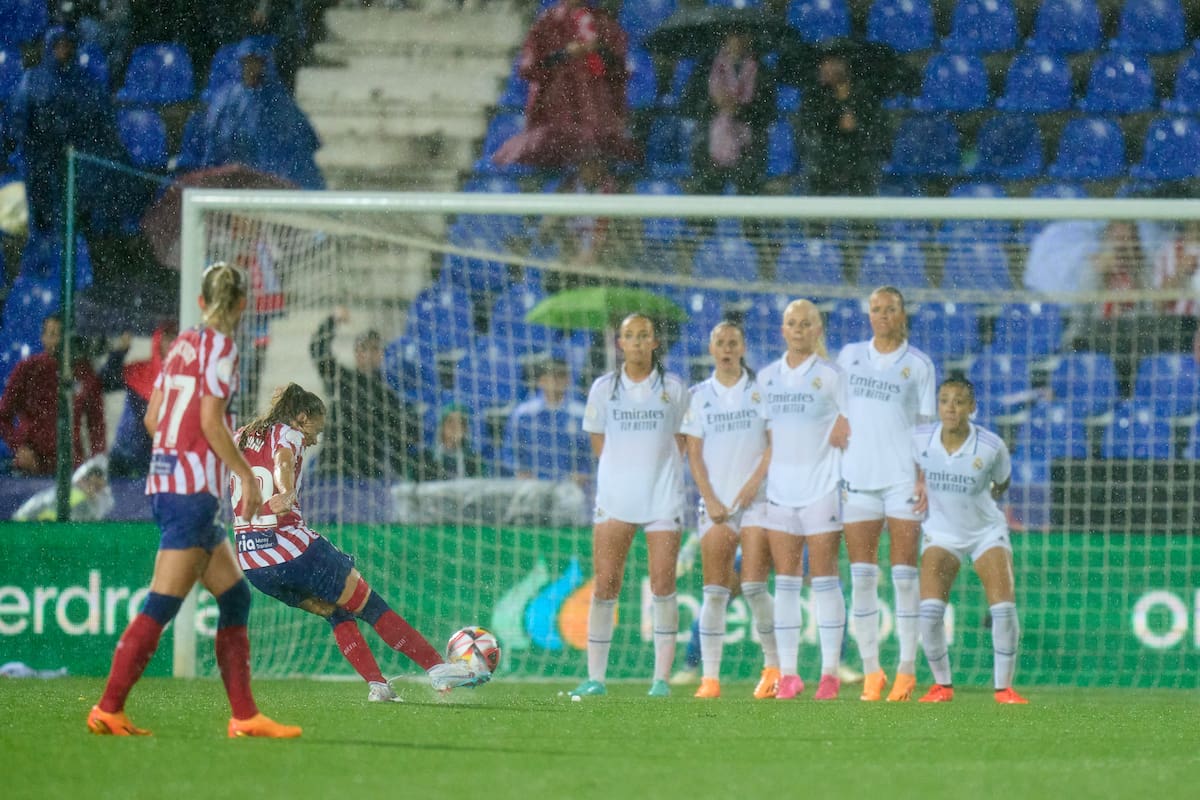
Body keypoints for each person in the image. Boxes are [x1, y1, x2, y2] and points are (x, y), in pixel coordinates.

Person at [87, 261, 301, 738]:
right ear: (242, 305)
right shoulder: (223, 349)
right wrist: (246, 477)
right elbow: (209, 421)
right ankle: (108, 708)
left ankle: (245, 716)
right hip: (191, 494)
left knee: (234, 595)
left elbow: (152, 419)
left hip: (168, 484)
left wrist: (179, 455)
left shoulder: (184, 343)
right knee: (162, 603)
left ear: (202, 302)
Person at [232, 383, 488, 701]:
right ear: (302, 418)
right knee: (370, 605)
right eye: (316, 430)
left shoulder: (242, 435)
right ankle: (437, 668)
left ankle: (378, 685)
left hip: (253, 562)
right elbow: (283, 459)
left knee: (335, 610)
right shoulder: (290, 433)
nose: (315, 440)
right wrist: (285, 491)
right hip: (291, 549)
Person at [570, 313, 688, 698]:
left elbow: (684, 438)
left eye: (643, 335)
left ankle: (660, 680)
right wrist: (622, 472)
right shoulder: (603, 388)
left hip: (663, 496)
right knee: (605, 583)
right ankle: (595, 678)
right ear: (620, 344)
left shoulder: (674, 388)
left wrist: (660, 469)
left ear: (654, 342)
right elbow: (598, 440)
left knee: (663, 583)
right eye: (629, 336)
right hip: (615, 498)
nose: (637, 342)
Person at [836, 286, 937, 702]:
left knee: (904, 577)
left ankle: (906, 670)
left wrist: (923, 477)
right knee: (862, 578)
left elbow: (927, 427)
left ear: (902, 315)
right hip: (858, 478)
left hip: (901, 480)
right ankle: (871, 671)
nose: (881, 315)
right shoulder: (849, 356)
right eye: (875, 309)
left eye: (889, 309)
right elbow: (837, 412)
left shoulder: (919, 365)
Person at [911, 377, 1027, 704]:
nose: (951, 407)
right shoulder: (919, 438)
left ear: (972, 407)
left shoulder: (991, 446)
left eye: (959, 401)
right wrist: (918, 481)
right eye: (944, 400)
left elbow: (1001, 484)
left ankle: (1004, 689)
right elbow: (910, 465)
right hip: (941, 533)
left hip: (985, 533)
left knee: (1003, 608)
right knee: (929, 613)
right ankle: (942, 686)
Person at [680, 321, 778, 699]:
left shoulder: (760, 391)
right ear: (711, 349)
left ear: (743, 347)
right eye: (720, 342)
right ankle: (710, 679)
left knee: (753, 585)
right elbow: (694, 454)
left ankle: (773, 668)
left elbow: (773, 445)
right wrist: (710, 498)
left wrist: (754, 483)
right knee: (715, 592)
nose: (726, 348)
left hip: (757, 503)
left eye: (733, 342)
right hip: (716, 504)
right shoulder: (698, 396)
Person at [756, 300, 849, 700]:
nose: (798, 329)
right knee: (787, 583)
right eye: (792, 323)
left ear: (817, 330)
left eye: (806, 323)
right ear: (783, 330)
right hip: (779, 493)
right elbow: (765, 437)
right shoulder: (766, 378)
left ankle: (829, 674)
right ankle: (790, 674)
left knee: (824, 579)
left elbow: (852, 425)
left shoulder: (833, 376)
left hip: (822, 490)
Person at [491, 0, 638, 172]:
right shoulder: (547, 23)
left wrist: (599, 50)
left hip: (597, 116)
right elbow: (528, 68)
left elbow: (620, 70)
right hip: (556, 116)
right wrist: (564, 54)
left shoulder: (604, 23)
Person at [7, 26, 125, 238]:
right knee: (43, 216)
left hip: (78, 161)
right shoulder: (33, 80)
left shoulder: (87, 83)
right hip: (41, 160)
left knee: (78, 213)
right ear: (49, 48)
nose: (63, 50)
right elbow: (18, 120)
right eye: (58, 45)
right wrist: (30, 147)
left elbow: (103, 124)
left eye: (67, 45)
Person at [309, 308, 428, 480]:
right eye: (364, 348)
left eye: (375, 349)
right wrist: (333, 320)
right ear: (356, 353)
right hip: (333, 471)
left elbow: (403, 438)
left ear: (381, 355)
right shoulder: (341, 379)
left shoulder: (387, 397)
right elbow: (318, 350)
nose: (369, 354)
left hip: (366, 478)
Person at [199, 38, 325, 189]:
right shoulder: (227, 101)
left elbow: (299, 143)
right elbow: (215, 144)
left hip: (273, 181)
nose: (253, 68)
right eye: (248, 62)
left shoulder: (278, 100)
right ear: (240, 64)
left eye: (257, 62)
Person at [0, 314, 106, 476]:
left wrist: (97, 466)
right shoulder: (27, 369)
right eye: (52, 334)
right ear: (42, 338)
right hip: (30, 467)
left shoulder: (85, 373)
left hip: (70, 467)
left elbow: (96, 425)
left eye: (62, 335)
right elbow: (3, 417)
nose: (57, 341)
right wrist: (19, 448)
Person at [693, 32, 773, 196]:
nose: (737, 41)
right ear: (725, 38)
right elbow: (691, 103)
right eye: (733, 35)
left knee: (748, 186)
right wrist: (714, 103)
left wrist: (740, 110)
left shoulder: (761, 69)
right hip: (712, 142)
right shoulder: (707, 67)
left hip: (749, 144)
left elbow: (768, 110)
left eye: (743, 35)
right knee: (708, 187)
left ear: (750, 39)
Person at [797, 54, 888, 197]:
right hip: (825, 156)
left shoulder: (865, 94)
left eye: (831, 63)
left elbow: (875, 127)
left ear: (844, 66)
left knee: (863, 171)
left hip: (858, 155)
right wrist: (836, 116)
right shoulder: (814, 94)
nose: (825, 68)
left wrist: (856, 124)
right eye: (824, 64)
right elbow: (810, 125)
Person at [98, 320, 179, 477]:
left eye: (176, 336)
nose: (172, 342)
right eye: (167, 336)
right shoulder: (139, 371)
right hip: (124, 458)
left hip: (158, 462)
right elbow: (106, 381)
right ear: (158, 340)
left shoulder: (185, 379)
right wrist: (120, 350)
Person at [504, 357, 590, 485]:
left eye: (561, 376)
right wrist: (520, 471)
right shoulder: (523, 414)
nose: (556, 381)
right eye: (551, 376)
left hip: (570, 488)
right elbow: (510, 451)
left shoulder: (580, 415)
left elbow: (590, 453)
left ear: (568, 380)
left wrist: (583, 473)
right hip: (532, 487)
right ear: (541, 381)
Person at [12, 454, 114, 521]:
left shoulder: (73, 494)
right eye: (93, 486)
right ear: (82, 481)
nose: (94, 491)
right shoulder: (77, 497)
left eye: (98, 488)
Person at [423, 403, 487, 480]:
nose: (455, 426)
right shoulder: (426, 458)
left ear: (465, 429)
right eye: (450, 421)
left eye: (460, 422)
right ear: (442, 426)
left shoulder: (475, 461)